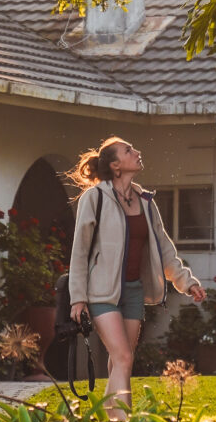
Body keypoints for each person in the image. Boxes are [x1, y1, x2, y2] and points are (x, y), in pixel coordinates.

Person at [67, 136, 205, 406]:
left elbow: (164, 248)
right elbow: (80, 251)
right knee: (123, 357)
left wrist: (186, 282)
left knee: (122, 360)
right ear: (116, 166)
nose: (137, 152)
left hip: (132, 291)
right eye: (129, 151)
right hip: (101, 292)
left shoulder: (145, 201)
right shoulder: (94, 198)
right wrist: (77, 297)